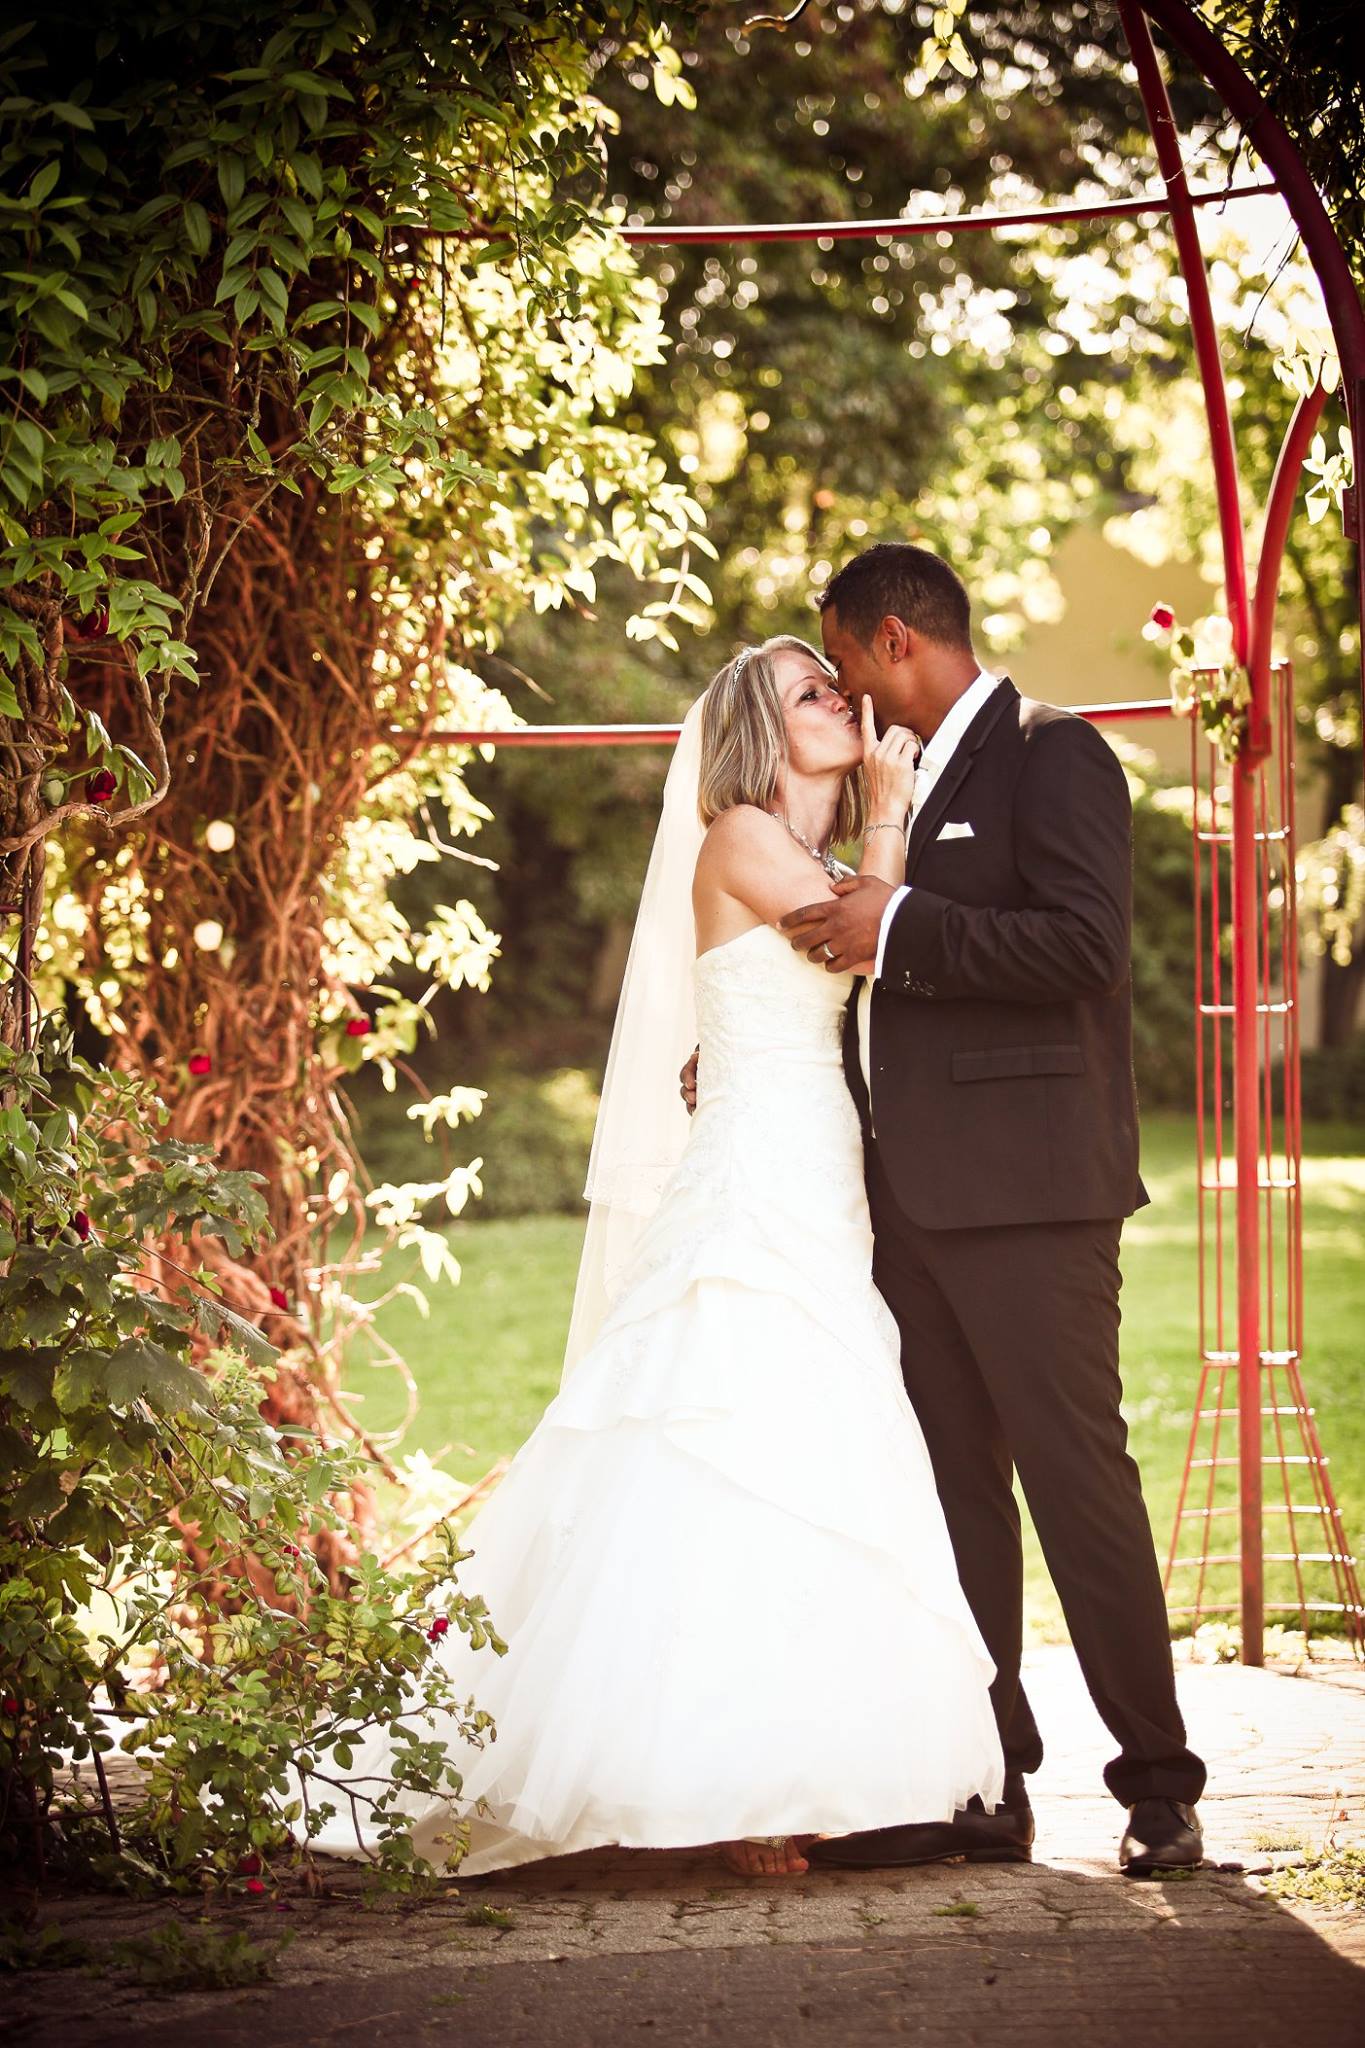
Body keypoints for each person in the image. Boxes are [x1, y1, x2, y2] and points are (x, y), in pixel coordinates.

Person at [298, 635, 1004, 1879]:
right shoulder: (740, 832)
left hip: (820, 1168)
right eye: (811, 691)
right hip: (757, 1182)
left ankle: (800, 1760)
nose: (841, 699)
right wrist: (893, 817)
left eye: (837, 684)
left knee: (810, 1448)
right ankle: (721, 1786)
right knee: (722, 1438)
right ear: (757, 729)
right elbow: (854, 936)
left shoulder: (805, 852)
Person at [768, 541, 1206, 1878]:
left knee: (1078, 1486)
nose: (844, 690)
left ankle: (1160, 1789)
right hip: (908, 1205)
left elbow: (1080, 949)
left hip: (1032, 1198)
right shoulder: (894, 784)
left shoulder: (1052, 753)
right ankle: (984, 1784)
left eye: (843, 659)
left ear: (894, 637)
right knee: (956, 1497)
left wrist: (898, 925)